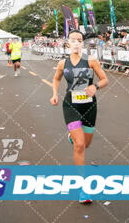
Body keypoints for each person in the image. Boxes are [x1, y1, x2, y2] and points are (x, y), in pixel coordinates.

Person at [50, 29, 108, 204]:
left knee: (86, 143)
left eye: (79, 40)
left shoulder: (91, 61)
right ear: (68, 43)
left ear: (83, 43)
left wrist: (96, 87)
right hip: (70, 105)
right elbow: (56, 79)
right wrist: (54, 93)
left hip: (89, 106)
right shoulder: (62, 63)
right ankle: (83, 188)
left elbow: (105, 79)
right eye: (73, 40)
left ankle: (72, 137)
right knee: (80, 145)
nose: (76, 43)